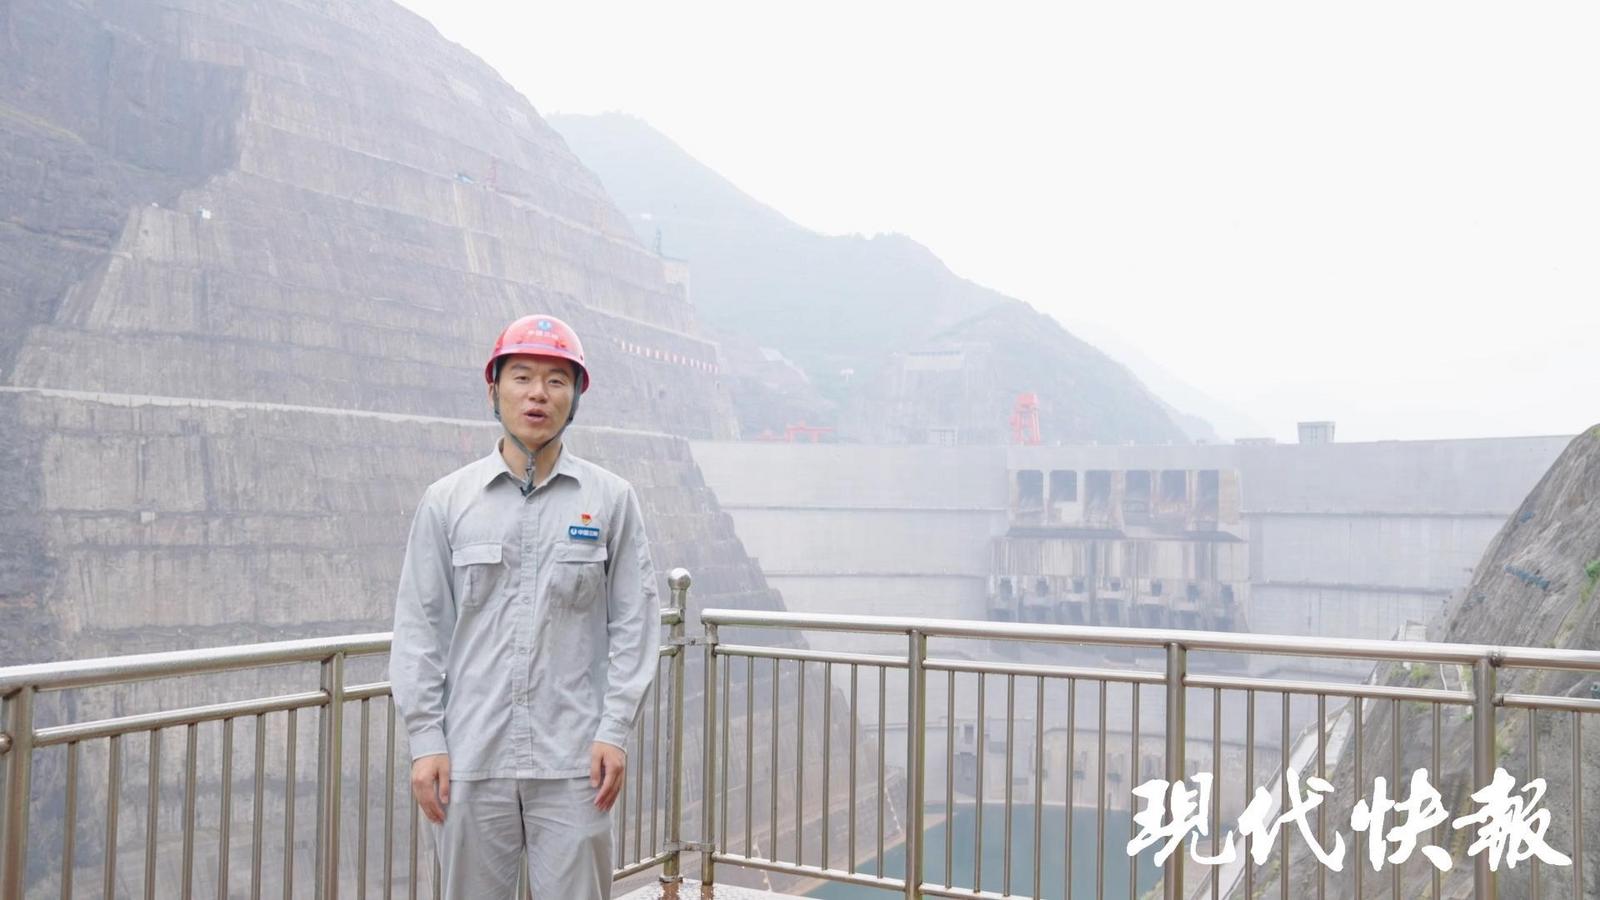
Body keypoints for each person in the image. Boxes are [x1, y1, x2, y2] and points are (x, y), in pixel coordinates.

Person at [389, 314, 661, 899]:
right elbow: (419, 629)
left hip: (575, 763)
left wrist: (614, 730)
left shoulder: (610, 500)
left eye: (557, 380)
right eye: (522, 377)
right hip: (470, 759)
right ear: (494, 390)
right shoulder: (447, 502)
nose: (538, 393)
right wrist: (426, 740)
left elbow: (636, 625)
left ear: (575, 397)